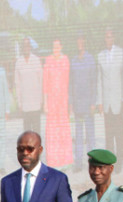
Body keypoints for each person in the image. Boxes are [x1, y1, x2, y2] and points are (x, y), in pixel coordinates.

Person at [97, 28, 123, 163]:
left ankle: (120, 161)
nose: (108, 40)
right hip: (107, 101)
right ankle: (110, 161)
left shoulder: (120, 53)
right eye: (106, 37)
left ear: (113, 38)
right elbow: (99, 79)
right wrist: (100, 101)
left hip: (117, 100)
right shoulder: (100, 55)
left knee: (119, 134)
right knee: (108, 135)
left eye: (110, 37)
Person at [69, 33, 97, 171]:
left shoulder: (90, 59)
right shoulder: (73, 60)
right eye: (77, 41)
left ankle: (92, 162)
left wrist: (93, 102)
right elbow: (71, 83)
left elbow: (94, 82)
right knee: (79, 134)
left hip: (88, 104)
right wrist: (71, 102)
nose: (79, 43)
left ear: (85, 42)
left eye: (81, 41)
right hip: (78, 105)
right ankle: (78, 162)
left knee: (90, 134)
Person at [43, 39, 73, 167]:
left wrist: (69, 103)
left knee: (63, 130)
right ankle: (54, 161)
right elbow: (45, 83)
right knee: (53, 131)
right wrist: (45, 102)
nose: (56, 48)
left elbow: (68, 82)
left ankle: (65, 160)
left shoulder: (65, 60)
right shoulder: (48, 60)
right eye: (53, 46)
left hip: (62, 101)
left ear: (61, 47)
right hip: (52, 101)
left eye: (57, 46)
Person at [14, 37, 43, 133]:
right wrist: (19, 103)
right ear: (22, 47)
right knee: (27, 133)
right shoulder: (19, 62)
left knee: (36, 132)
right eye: (24, 46)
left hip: (36, 104)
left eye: (28, 45)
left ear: (30, 47)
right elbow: (17, 84)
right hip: (25, 105)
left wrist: (41, 100)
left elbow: (41, 81)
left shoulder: (36, 60)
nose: (26, 47)